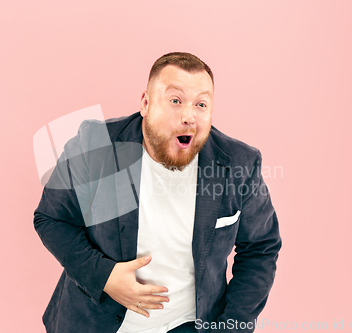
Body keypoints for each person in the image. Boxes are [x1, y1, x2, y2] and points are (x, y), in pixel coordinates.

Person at [34, 52, 281, 333]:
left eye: (200, 104)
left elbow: (261, 248)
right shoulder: (95, 145)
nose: (188, 116)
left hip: (188, 325)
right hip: (97, 322)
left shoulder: (240, 164)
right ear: (146, 103)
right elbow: (52, 218)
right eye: (175, 100)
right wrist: (105, 276)